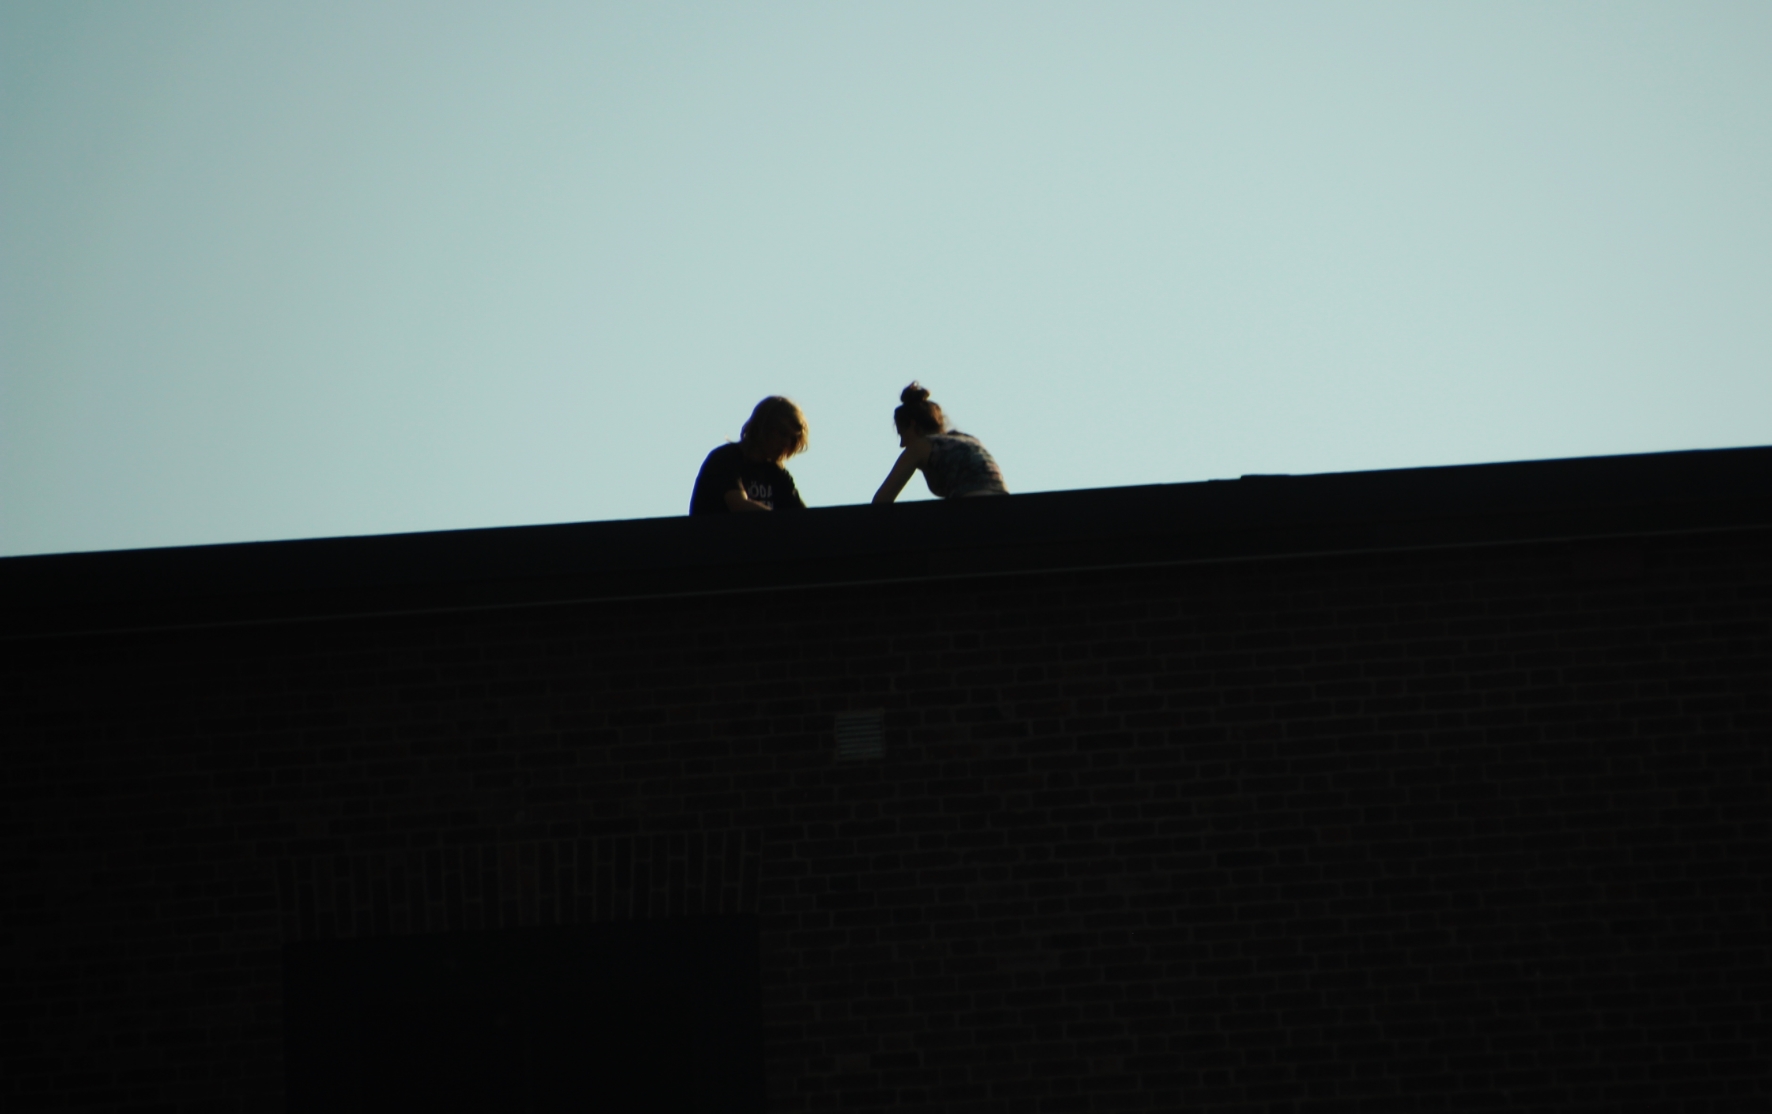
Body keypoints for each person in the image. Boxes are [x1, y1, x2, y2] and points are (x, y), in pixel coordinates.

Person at [872, 382, 1008, 504]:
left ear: (912, 425)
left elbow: (882, 500)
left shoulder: (920, 446)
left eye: (901, 435)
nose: (902, 444)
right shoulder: (968, 439)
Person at [690, 396, 810, 514]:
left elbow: (804, 518)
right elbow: (739, 505)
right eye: (782, 434)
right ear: (762, 427)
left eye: (793, 439)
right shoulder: (726, 458)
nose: (787, 443)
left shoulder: (776, 472)